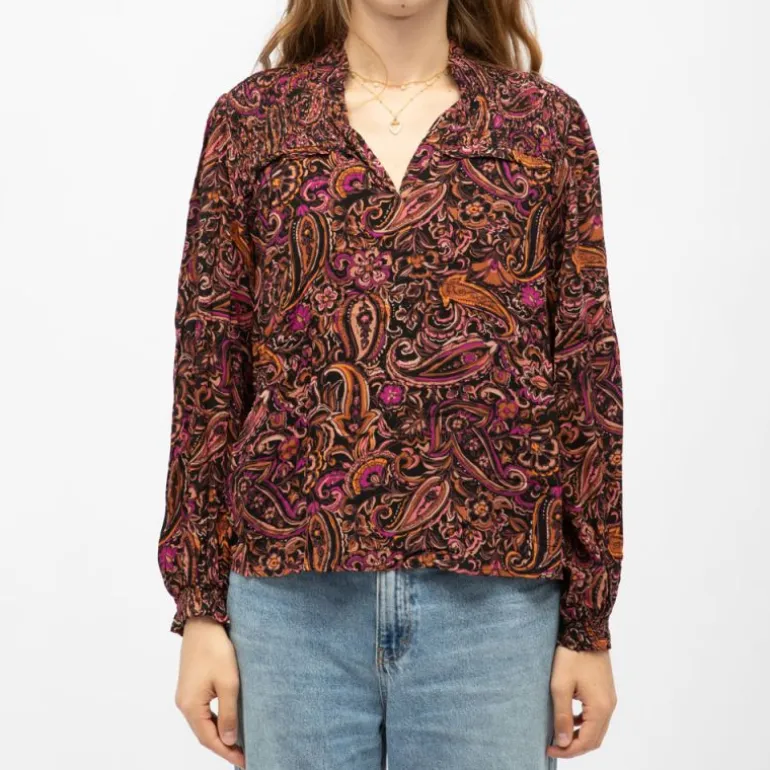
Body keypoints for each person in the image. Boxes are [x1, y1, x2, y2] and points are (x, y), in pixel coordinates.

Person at [157, 1, 623, 767]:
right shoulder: (254, 123)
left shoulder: (541, 128)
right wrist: (201, 608)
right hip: (291, 608)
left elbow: (586, 369)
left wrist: (588, 624)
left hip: (493, 608)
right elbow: (209, 366)